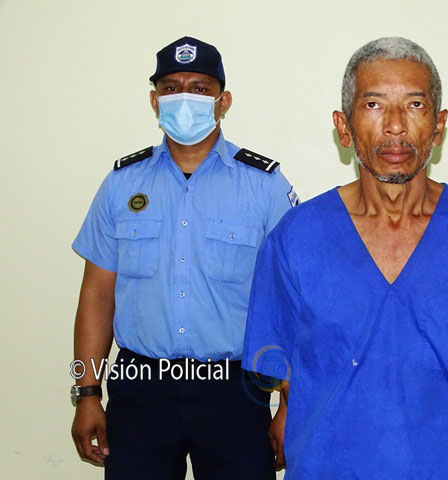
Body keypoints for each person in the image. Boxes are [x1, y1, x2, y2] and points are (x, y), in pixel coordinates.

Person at [242, 37, 448, 478]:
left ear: (438, 126)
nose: (394, 126)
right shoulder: (296, 238)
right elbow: (287, 373)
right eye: (373, 105)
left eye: (414, 105)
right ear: (344, 127)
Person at [70, 36, 296, 479]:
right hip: (140, 390)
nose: (184, 98)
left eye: (199, 88)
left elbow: (290, 302)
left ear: (223, 101)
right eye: (171, 88)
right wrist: (88, 392)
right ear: (155, 101)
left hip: (235, 390)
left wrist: (290, 403)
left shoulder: (264, 185)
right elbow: (97, 295)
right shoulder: (121, 184)